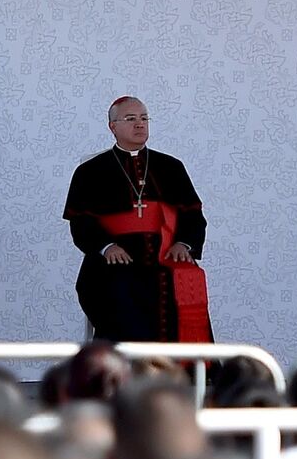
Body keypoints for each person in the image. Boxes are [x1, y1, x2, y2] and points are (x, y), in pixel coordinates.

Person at [62, 97, 209, 342]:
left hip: (164, 256)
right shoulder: (90, 171)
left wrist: (184, 244)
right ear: (113, 126)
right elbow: (81, 222)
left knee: (184, 285)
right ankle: (122, 363)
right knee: (118, 289)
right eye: (130, 119)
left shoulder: (171, 167)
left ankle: (178, 364)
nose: (140, 124)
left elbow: (193, 214)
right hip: (114, 262)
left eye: (144, 118)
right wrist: (107, 247)